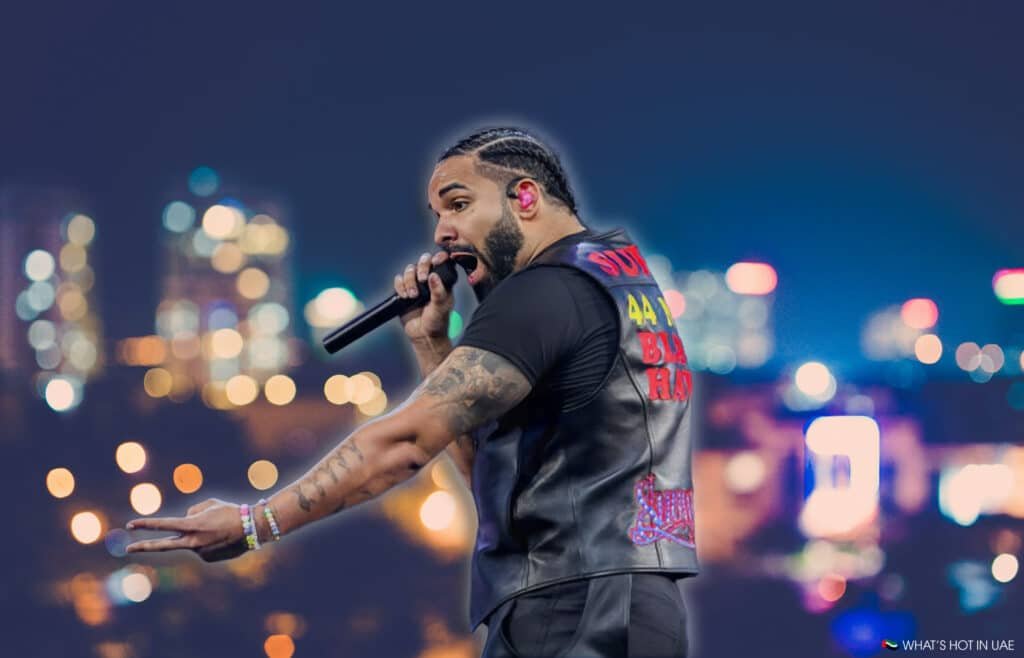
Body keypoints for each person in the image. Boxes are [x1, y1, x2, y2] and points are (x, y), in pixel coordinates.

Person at [125, 126, 699, 657]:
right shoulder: (620, 282)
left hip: (573, 609)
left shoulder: (543, 293)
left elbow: (403, 443)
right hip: (640, 607)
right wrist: (431, 345)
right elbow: (498, 480)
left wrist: (255, 524)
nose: (441, 233)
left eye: (459, 204)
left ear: (525, 198)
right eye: (437, 213)